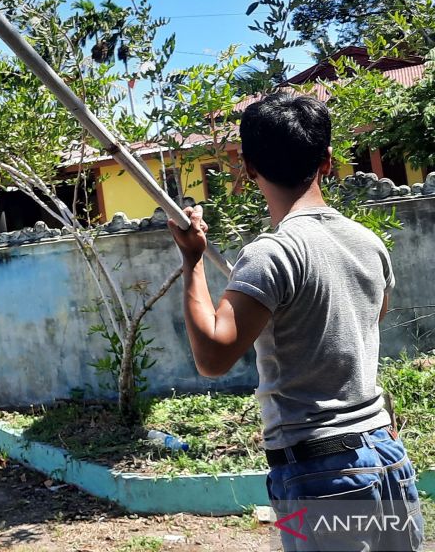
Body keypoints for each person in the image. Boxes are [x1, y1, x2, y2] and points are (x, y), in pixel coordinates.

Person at [168, 92, 424, 552]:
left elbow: (212, 355)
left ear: (247, 168)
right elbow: (371, 319)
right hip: (387, 458)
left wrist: (192, 262)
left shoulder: (273, 253)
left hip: (320, 475)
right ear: (327, 160)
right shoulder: (368, 243)